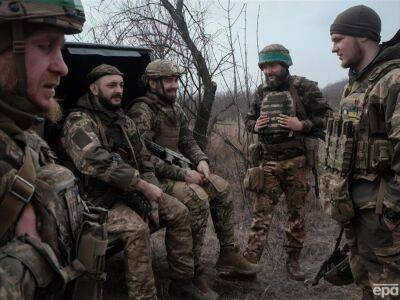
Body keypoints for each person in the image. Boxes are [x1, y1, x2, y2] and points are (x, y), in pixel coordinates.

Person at [62, 63, 216, 300]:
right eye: (111, 85)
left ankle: (182, 283)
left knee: (179, 212)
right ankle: (144, 296)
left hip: (129, 192)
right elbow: (94, 161)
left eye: (121, 85)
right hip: (96, 200)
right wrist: (142, 186)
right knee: (137, 229)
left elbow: (144, 160)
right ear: (94, 89)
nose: (118, 90)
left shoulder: (123, 120)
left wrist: (151, 193)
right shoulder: (78, 121)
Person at [0, 0, 108, 299]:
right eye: (45, 46)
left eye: (60, 49)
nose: (62, 67)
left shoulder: (28, 140)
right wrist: (27, 259)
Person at [127, 59, 261, 280]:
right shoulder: (141, 111)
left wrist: (201, 160)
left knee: (221, 187)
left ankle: (228, 254)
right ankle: (192, 271)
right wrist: (183, 174)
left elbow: (187, 140)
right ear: (152, 83)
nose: (175, 85)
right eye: (169, 80)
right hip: (154, 179)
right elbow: (142, 157)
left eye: (176, 80)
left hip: (178, 171)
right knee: (196, 198)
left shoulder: (175, 108)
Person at [322, 4, 400, 298]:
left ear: (363, 37)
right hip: (357, 210)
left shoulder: (393, 80)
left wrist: (392, 213)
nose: (333, 48)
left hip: (383, 216)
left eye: (338, 39)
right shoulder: (355, 84)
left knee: (390, 289)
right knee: (367, 282)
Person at [243, 44, 329, 281]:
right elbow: (249, 119)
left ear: (285, 65)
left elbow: (327, 118)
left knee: (296, 215)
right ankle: (249, 263)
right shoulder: (261, 92)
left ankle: (293, 262)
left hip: (296, 163)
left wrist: (302, 126)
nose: (268, 71)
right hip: (268, 163)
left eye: (273, 65)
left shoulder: (304, 87)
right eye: (264, 67)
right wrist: (254, 125)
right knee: (260, 215)